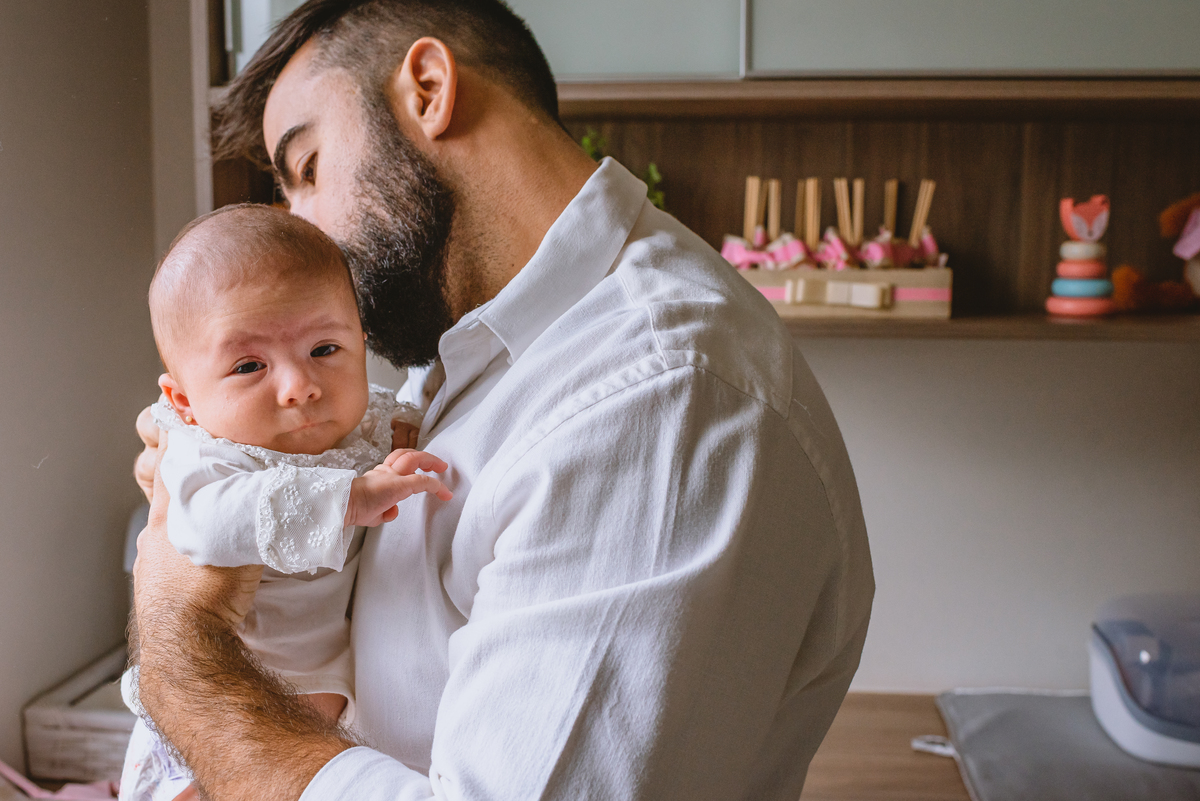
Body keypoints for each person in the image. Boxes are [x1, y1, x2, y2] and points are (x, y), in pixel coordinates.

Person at [131, 1, 875, 798]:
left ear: (426, 88)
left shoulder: (660, 399)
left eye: (307, 169)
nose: (298, 230)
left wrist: (184, 662)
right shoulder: (468, 350)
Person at [125, 203, 452, 801]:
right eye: (249, 365)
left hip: (322, 685)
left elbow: (392, 415)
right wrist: (350, 497)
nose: (299, 386)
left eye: (325, 348)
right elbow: (205, 524)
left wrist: (408, 432)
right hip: (238, 682)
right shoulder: (205, 454)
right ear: (187, 400)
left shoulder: (363, 420)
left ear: (360, 338)